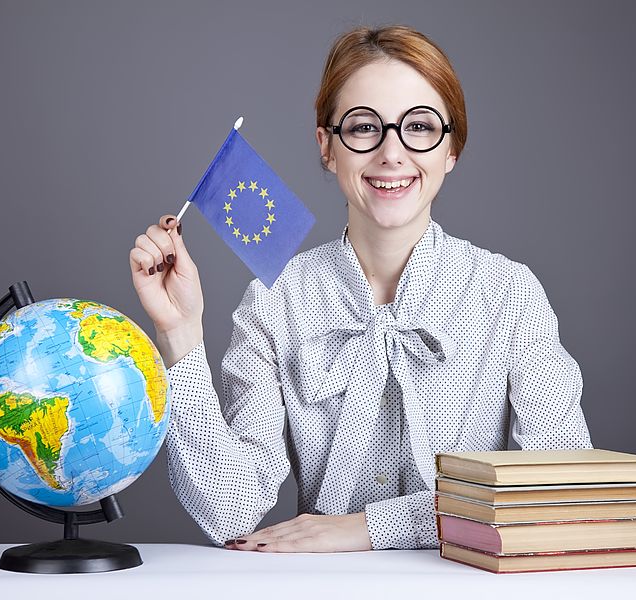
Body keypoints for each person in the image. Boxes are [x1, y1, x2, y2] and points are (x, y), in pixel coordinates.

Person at [128, 25, 591, 553]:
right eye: (364, 127)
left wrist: (370, 528)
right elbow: (230, 508)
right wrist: (181, 336)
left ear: (452, 148)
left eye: (419, 126)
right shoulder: (276, 302)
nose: (391, 154)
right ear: (327, 147)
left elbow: (557, 487)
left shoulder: (510, 295)